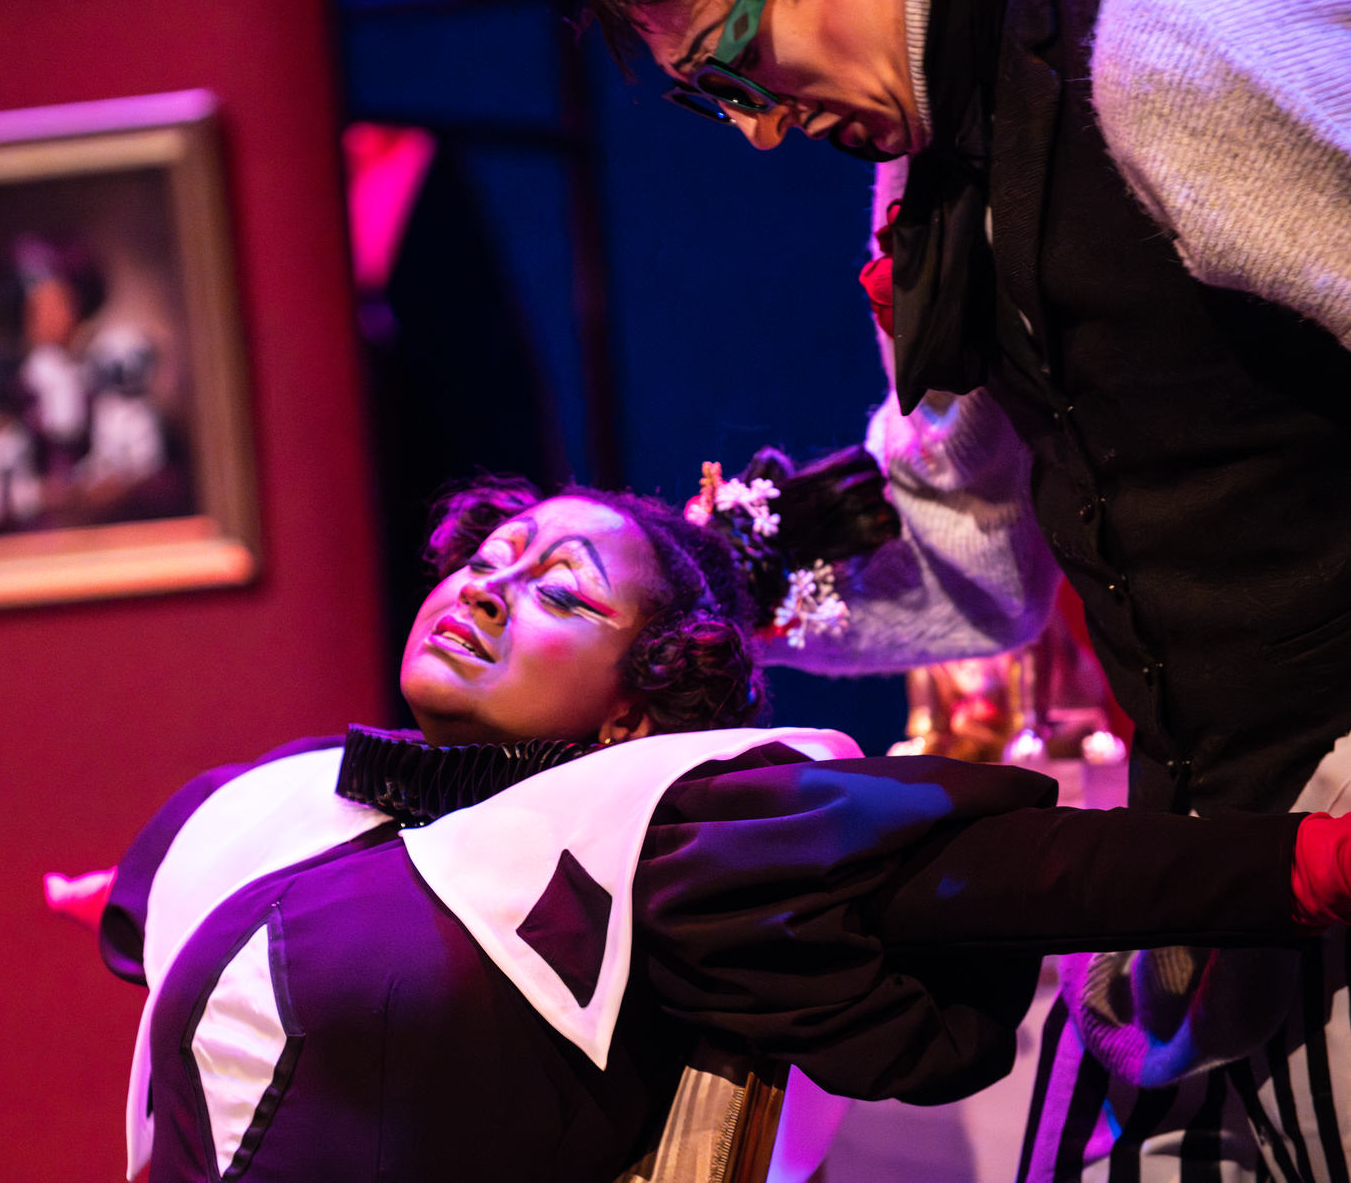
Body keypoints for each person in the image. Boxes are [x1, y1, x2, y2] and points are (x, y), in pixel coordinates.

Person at [71, 463, 1351, 1183]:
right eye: (487, 560)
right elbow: (162, 913)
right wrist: (116, 899)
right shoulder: (288, 795)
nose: (488, 589)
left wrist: (1308, 863)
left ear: (641, 702)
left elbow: (1040, 873)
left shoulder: (657, 829)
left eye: (560, 591)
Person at [583, 0, 1351, 1175]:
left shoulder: (1166, 45)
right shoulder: (928, 161)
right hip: (1211, 845)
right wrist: (714, 597)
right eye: (711, 101)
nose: (762, 130)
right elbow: (974, 558)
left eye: (734, 70)